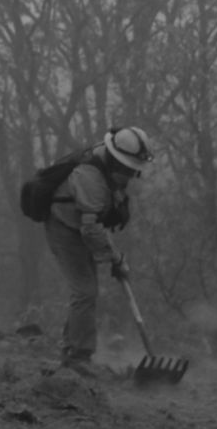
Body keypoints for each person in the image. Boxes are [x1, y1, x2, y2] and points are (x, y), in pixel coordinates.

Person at [44, 126, 153, 375]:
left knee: (87, 290)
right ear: (116, 160)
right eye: (128, 169)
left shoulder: (108, 166)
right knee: (85, 291)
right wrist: (115, 258)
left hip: (81, 225)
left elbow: (95, 227)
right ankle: (77, 357)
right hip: (64, 228)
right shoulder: (89, 178)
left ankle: (72, 349)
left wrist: (115, 259)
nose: (131, 175)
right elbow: (91, 230)